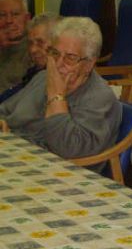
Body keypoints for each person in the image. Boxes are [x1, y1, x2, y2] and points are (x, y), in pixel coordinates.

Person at [0, 16, 122, 171]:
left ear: (89, 64)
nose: (58, 65)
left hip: (57, 174)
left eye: (70, 58)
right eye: (55, 54)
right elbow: (5, 111)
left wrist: (56, 95)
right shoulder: (43, 77)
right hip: (14, 157)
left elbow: (67, 149)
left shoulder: (100, 99)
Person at [0, 12, 60, 103]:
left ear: (59, 42)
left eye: (40, 42)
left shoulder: (56, 79)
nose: (33, 50)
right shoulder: (32, 74)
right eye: (30, 43)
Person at [0, 0, 32, 93]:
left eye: (15, 14)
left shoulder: (35, 46)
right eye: (2, 15)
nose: (9, 21)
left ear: (27, 18)